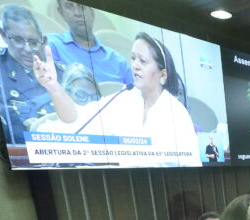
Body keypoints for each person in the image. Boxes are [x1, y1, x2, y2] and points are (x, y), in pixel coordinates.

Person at [34, 32, 201, 167]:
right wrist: (54, 87)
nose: (135, 65)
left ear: (163, 75)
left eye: (142, 61)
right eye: (133, 58)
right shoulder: (123, 100)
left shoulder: (177, 113)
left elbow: (192, 168)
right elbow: (75, 119)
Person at [0, 5, 64, 144]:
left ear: (44, 41)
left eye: (34, 42)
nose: (27, 49)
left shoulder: (62, 73)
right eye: (18, 40)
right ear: (3, 35)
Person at [46, 1, 133, 86]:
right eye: (69, 6)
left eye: (82, 5)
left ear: (92, 10)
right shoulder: (52, 45)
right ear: (61, 13)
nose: (77, 13)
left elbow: (137, 97)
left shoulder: (118, 61)